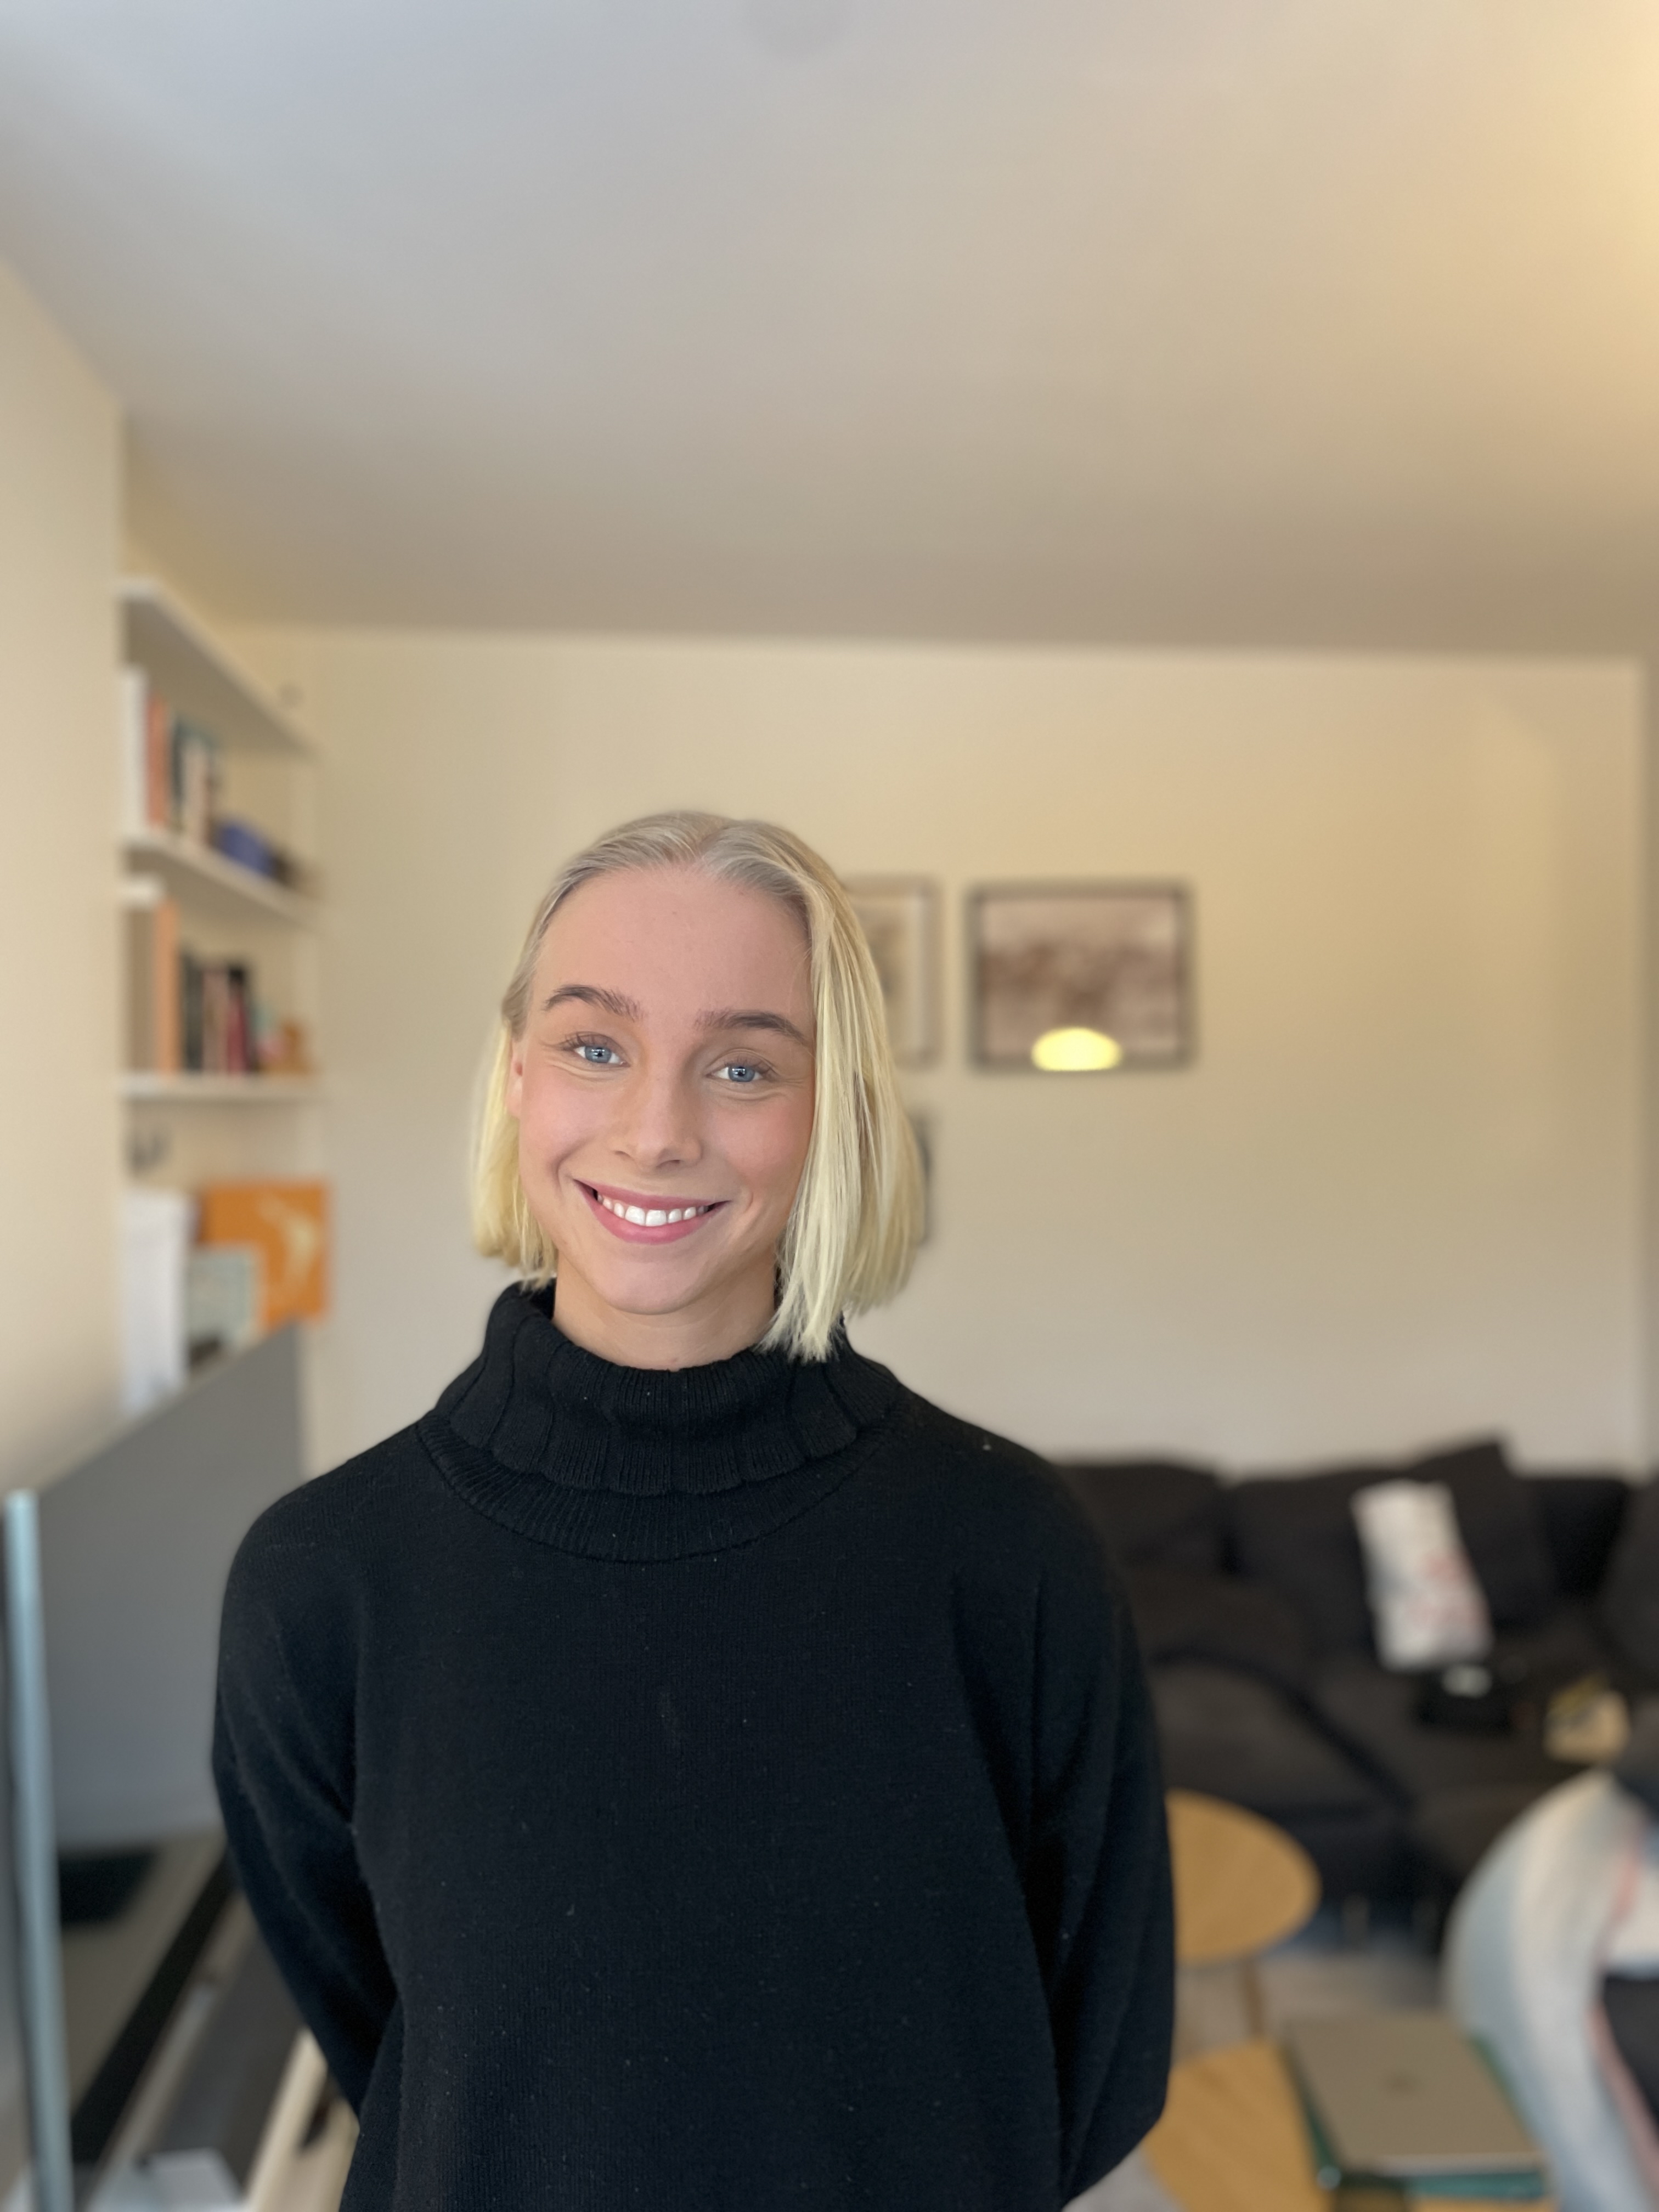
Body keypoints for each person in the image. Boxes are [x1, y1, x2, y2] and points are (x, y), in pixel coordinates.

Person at [213, 810, 1173, 2211]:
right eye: (594, 1046)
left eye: (741, 1066)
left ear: (833, 1109)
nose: (657, 1132)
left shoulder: (1011, 1550)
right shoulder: (324, 1579)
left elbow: (1091, 2062)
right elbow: (398, 2042)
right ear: (517, 1075)